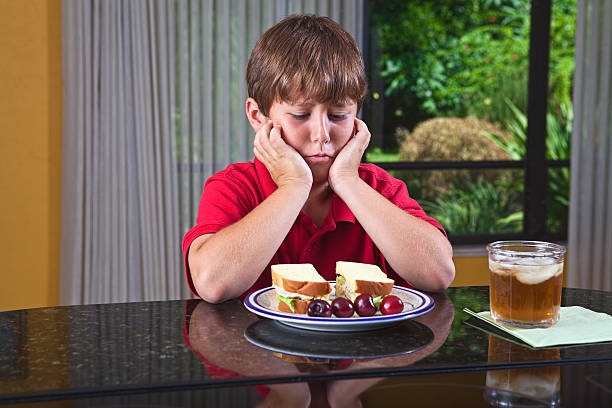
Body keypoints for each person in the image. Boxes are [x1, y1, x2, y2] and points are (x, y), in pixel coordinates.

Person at [182, 14, 455, 303]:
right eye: (300, 115)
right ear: (257, 117)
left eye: (339, 116)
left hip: (363, 348)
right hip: (257, 347)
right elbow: (212, 283)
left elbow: (439, 273)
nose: (322, 134)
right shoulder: (234, 186)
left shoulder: (377, 188)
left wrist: (347, 180)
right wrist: (292, 186)